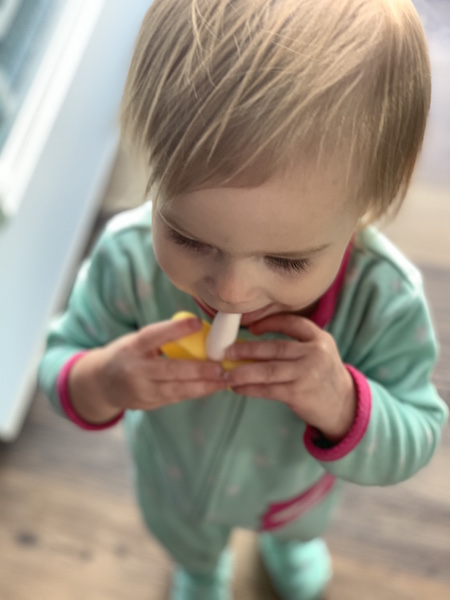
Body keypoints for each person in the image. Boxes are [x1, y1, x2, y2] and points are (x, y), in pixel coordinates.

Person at [38, 1, 449, 599]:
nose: (229, 292)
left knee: (294, 529)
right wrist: (104, 378)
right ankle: (201, 570)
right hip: (175, 487)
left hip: (293, 497)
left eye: (286, 260)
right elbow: (59, 361)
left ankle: (290, 547)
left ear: (364, 210)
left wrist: (340, 401)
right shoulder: (127, 261)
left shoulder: (382, 301)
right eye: (186, 237)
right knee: (186, 542)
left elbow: (417, 434)